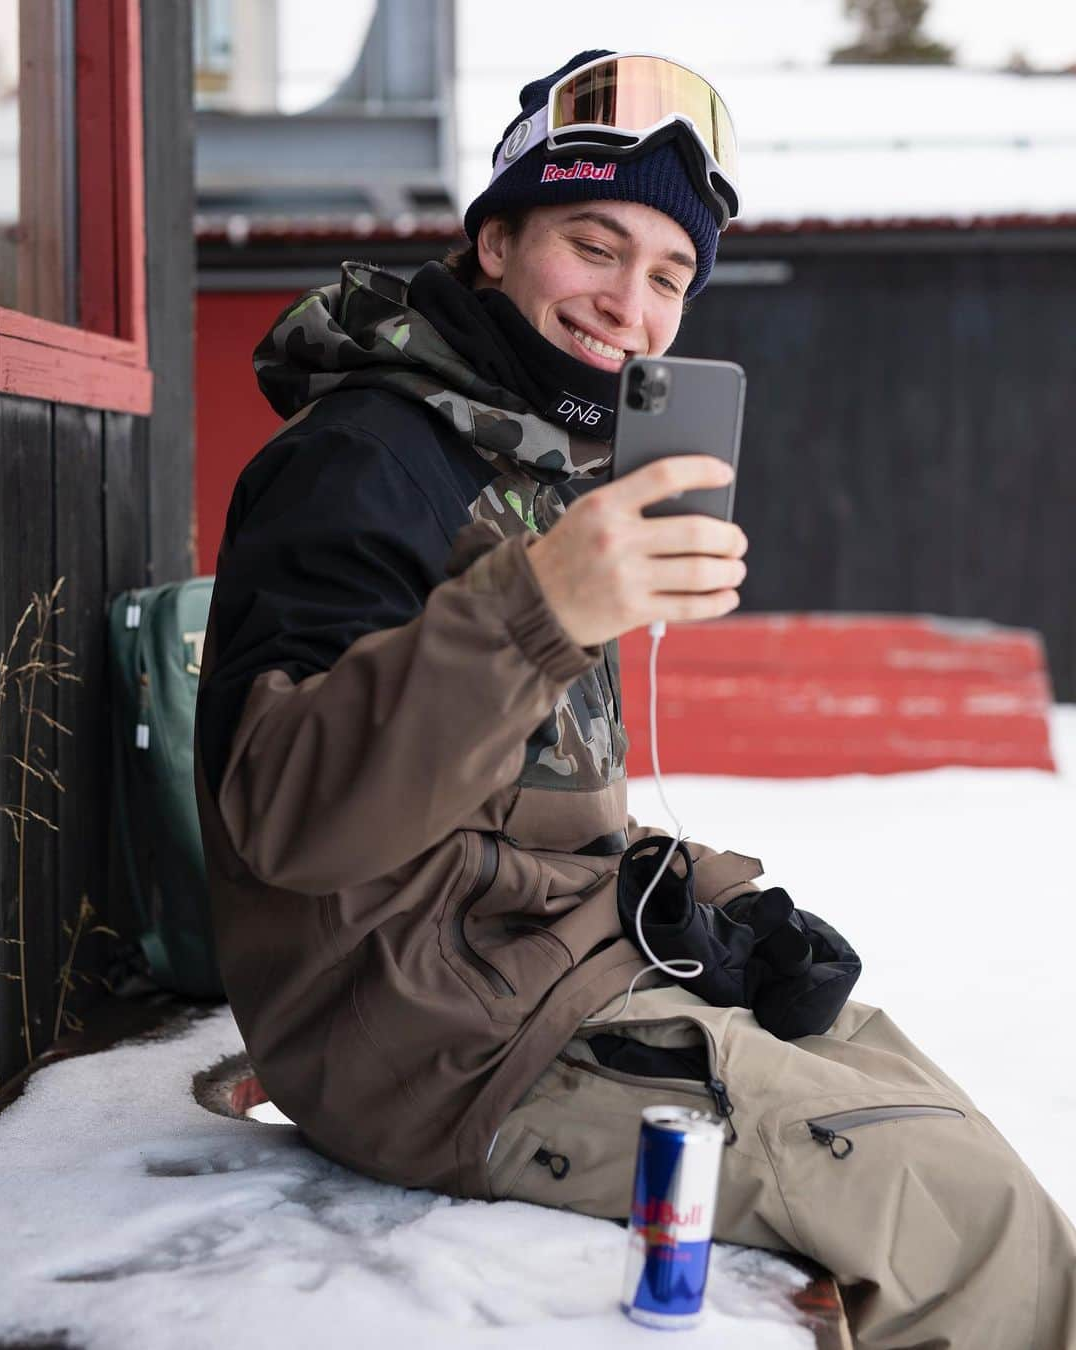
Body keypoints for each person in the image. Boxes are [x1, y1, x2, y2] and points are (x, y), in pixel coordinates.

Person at [194, 50, 1076, 1349]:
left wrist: (712, 892)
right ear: (494, 242)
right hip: (430, 1043)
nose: (631, 303)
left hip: (519, 976)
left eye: (668, 276)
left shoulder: (531, 463)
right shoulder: (366, 462)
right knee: (968, 1220)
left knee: (900, 1080)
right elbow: (295, 817)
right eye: (593, 245)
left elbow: (510, 814)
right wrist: (544, 603)